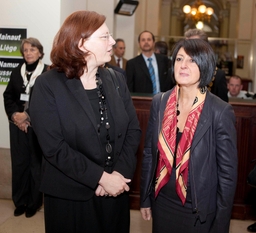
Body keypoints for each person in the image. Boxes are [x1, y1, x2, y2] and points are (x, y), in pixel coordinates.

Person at [29, 10, 141, 233]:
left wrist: (117, 176)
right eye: (104, 37)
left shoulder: (116, 78)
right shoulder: (48, 85)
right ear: (81, 43)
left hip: (115, 194)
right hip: (70, 199)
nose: (112, 42)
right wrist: (100, 178)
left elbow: (133, 130)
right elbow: (54, 148)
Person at [140, 39, 238, 233]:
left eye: (192, 60)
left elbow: (227, 175)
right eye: (179, 58)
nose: (183, 65)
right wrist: (145, 197)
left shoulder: (220, 111)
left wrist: (221, 223)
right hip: (162, 202)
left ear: (205, 66)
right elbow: (150, 155)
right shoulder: (160, 102)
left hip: (197, 209)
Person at [3, 37, 48, 218]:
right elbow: (8, 97)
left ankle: (33, 203)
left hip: (37, 127)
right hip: (17, 127)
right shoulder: (16, 72)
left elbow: (46, 101)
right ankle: (20, 201)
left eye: (32, 50)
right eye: (26, 50)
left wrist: (27, 115)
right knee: (19, 163)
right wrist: (16, 116)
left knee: (35, 165)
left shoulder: (47, 73)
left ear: (40, 52)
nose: (28, 53)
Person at [167, 28, 229, 102]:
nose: (189, 48)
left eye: (194, 44)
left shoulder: (218, 75)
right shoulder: (175, 71)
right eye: (179, 59)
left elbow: (222, 104)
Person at [126, 30, 171, 94]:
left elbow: (169, 82)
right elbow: (129, 88)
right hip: (142, 102)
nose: (146, 42)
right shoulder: (132, 64)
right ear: (139, 43)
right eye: (143, 40)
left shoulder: (164, 60)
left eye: (149, 39)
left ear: (154, 43)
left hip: (162, 100)